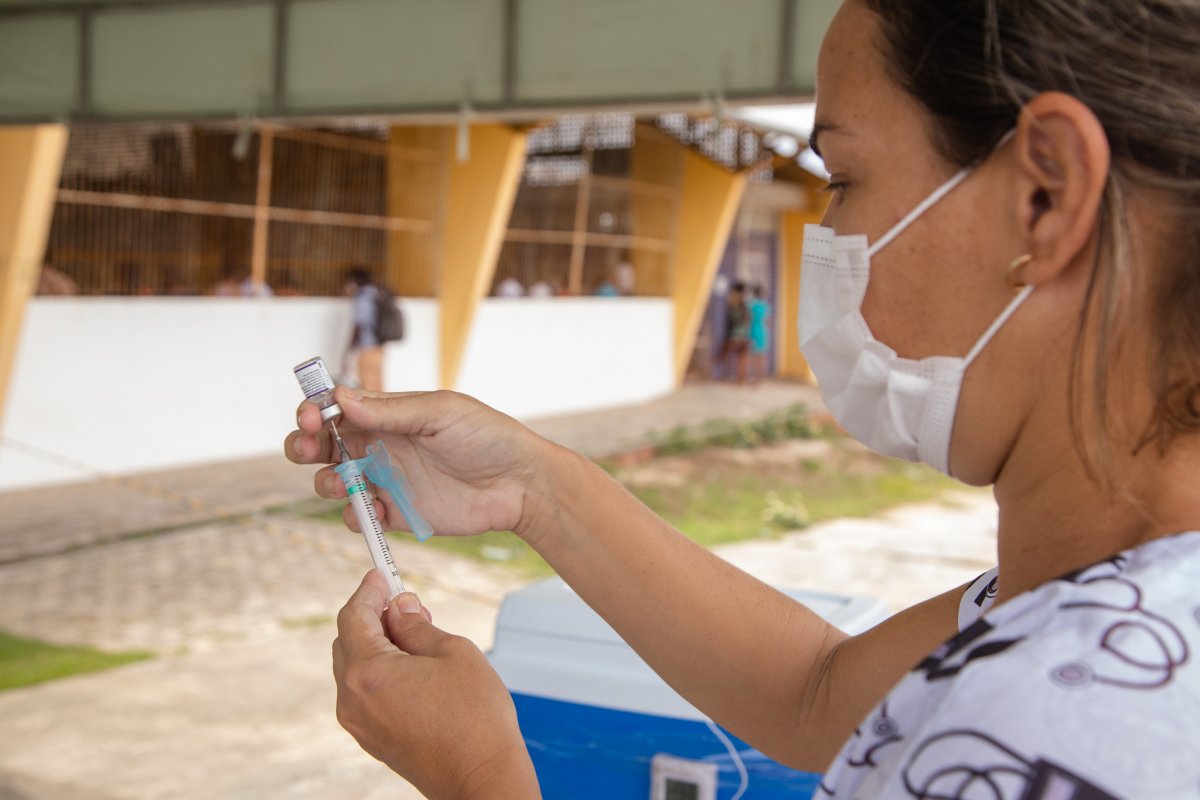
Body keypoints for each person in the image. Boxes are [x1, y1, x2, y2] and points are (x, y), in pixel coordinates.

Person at [286, 0, 1200, 796]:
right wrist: (533, 488)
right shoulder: (1111, 604)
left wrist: (478, 776)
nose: (829, 233)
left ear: (1046, 191)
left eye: (843, 180)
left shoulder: (1063, 723)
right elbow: (819, 694)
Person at [345, 266, 384, 392]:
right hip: (380, 345)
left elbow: (359, 324)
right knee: (378, 382)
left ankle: (374, 411)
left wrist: (349, 348)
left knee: (366, 383)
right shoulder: (378, 293)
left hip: (367, 345)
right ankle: (385, 411)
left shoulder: (362, 297)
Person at [721, 281, 751, 382]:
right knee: (741, 357)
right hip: (742, 335)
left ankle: (732, 377)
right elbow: (747, 320)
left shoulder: (736, 305)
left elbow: (734, 321)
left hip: (736, 335)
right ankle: (740, 378)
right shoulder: (742, 305)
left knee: (732, 355)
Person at [747, 283, 771, 384]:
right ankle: (760, 378)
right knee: (761, 356)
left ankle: (754, 377)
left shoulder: (750, 305)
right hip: (763, 331)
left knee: (752, 356)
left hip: (752, 330)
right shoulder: (765, 305)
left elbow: (747, 319)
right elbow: (768, 320)